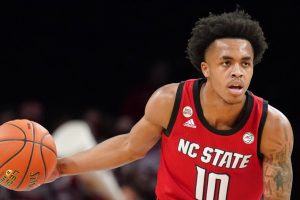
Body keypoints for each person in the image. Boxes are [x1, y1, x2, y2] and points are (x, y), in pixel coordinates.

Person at [46, 9, 294, 200]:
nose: (238, 72)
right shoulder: (170, 101)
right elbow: (128, 147)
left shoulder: (272, 126)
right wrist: (60, 168)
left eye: (245, 63)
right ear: (206, 69)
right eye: (226, 62)